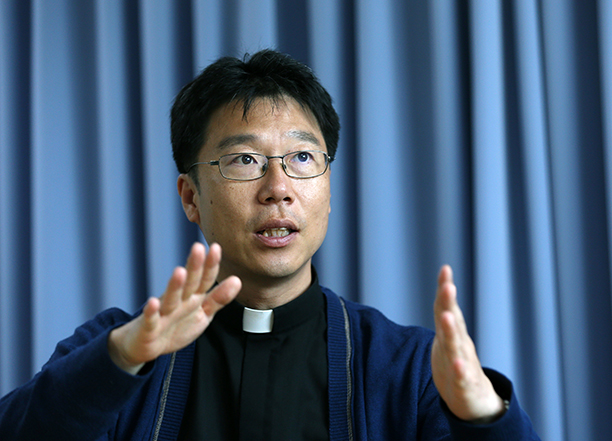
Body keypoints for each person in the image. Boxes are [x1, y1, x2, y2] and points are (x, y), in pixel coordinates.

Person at [0, 49, 540, 440]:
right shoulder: (120, 347)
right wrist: (119, 359)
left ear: (328, 192)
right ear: (190, 197)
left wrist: (482, 417)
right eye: (244, 160)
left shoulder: (406, 366)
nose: (278, 189)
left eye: (303, 159)